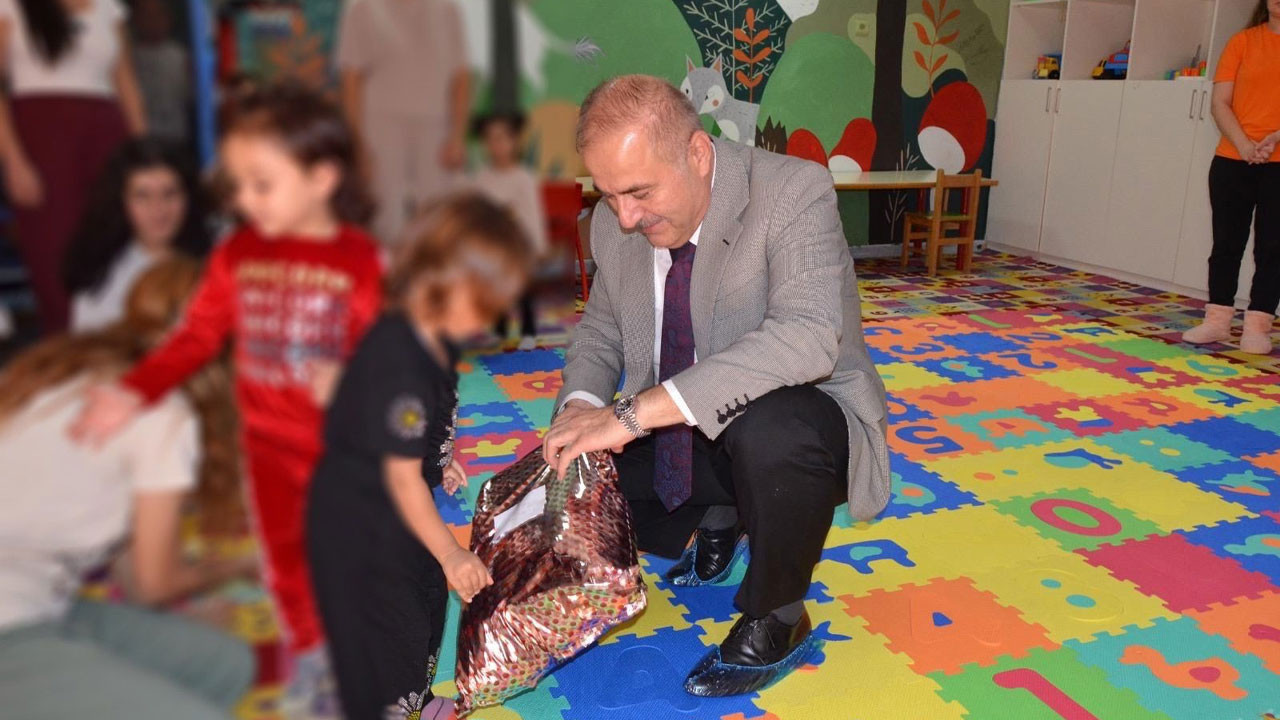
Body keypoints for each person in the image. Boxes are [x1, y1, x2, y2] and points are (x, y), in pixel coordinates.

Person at [542, 75, 890, 697]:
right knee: (574, 482)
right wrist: (579, 409)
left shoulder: (792, 191)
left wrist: (629, 415)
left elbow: (809, 337)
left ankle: (779, 616)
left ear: (698, 154)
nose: (625, 216)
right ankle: (720, 514)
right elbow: (600, 333)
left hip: (803, 429)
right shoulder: (614, 223)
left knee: (773, 431)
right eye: (608, 195)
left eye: (639, 192)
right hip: (684, 428)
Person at [69, 82, 384, 719]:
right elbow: (195, 337)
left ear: (321, 179)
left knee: (352, 565)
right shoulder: (237, 252)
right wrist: (134, 391)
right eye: (237, 186)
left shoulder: (360, 261)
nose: (244, 201)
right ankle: (311, 657)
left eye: (261, 184)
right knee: (286, 566)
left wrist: (355, 383)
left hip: (342, 456)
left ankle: (361, 659)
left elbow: (394, 362)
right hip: (266, 449)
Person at [0, 257, 253, 720]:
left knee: (223, 663)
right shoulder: (166, 414)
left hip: (35, 596)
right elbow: (156, 584)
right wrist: (235, 566)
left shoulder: (70, 368)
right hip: (11, 616)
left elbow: (137, 578)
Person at [309, 194, 531, 720]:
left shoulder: (433, 339)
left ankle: (416, 694)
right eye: (487, 300)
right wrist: (452, 554)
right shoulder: (404, 364)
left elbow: (410, 436)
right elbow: (400, 475)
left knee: (429, 597)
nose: (494, 315)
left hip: (396, 500)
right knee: (399, 617)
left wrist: (439, 458)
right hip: (369, 519)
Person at [0, 0, 147, 334]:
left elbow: (127, 85)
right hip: (41, 138)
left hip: (107, 135)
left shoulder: (110, 9)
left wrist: (145, 154)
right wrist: (13, 160)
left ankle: (116, 341)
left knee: (114, 242)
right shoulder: (11, 8)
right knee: (52, 250)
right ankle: (66, 345)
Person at [1183, 0, 1280, 355]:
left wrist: (1275, 138)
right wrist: (1244, 146)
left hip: (1277, 162)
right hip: (1232, 159)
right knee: (1226, 243)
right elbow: (1220, 102)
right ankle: (1218, 320)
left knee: (1273, 247)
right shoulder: (1242, 41)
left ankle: (1258, 325)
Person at [336, 0, 470, 245]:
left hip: (435, 124)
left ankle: (433, 268)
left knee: (437, 213)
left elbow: (460, 77)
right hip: (379, 123)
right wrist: (357, 143)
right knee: (384, 213)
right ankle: (383, 267)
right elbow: (351, 79)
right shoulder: (362, 8)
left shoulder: (448, 9)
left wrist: (458, 137)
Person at [66, 137, 211, 333]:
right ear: (121, 203)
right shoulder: (100, 275)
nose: (158, 209)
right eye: (142, 196)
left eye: (170, 193)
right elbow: (91, 345)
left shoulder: (217, 255)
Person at [469, 111, 548, 349]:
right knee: (496, 287)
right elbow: (477, 213)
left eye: (502, 138)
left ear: (514, 142)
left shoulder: (523, 178)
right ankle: (500, 328)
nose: (496, 145)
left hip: (519, 244)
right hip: (494, 244)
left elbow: (533, 214)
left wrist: (538, 246)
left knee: (523, 289)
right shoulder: (482, 178)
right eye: (490, 139)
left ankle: (528, 330)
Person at [130, 0, 191, 145]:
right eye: (146, 15)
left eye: (158, 14)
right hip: (140, 142)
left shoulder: (182, 57)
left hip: (176, 140)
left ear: (169, 18)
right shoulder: (128, 59)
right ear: (136, 19)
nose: (153, 21)